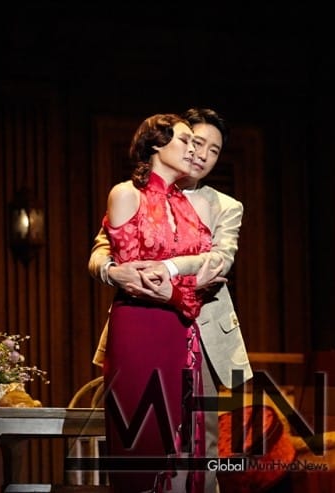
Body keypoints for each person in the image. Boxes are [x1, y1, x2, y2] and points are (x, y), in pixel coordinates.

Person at [89, 108, 253, 493]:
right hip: (144, 320)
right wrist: (113, 272)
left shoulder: (223, 204)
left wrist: (169, 273)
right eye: (194, 142)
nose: (201, 154)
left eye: (213, 150)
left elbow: (219, 260)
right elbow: (101, 250)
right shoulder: (131, 193)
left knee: (201, 436)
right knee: (142, 431)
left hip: (202, 327)